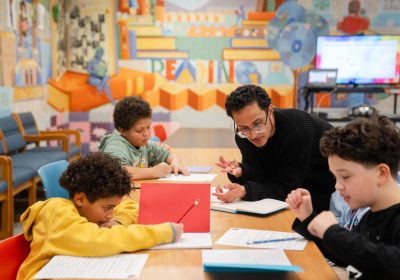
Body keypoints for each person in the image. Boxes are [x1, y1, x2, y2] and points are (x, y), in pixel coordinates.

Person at [17, 152, 183, 280]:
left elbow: (129, 205)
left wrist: (118, 220)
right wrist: (163, 233)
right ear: (80, 198)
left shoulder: (93, 206)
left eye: (114, 208)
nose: (110, 214)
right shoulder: (56, 211)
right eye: (108, 208)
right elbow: (96, 239)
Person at [286, 116, 400, 279]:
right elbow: (349, 256)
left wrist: (333, 233)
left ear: (381, 174)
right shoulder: (370, 217)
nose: (338, 186)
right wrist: (309, 220)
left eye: (345, 177)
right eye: (335, 178)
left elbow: (393, 263)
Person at [214, 84, 335, 213]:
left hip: (329, 188)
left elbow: (286, 188)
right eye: (244, 128)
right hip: (296, 188)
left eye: (258, 124)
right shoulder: (243, 136)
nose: (253, 135)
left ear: (270, 110)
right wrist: (242, 172)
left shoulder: (296, 131)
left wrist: (245, 191)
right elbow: (261, 176)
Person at [99, 96, 189, 180]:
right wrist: (154, 172)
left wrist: (175, 163)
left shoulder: (145, 144)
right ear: (122, 130)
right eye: (139, 130)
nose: (146, 133)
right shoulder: (115, 145)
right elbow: (116, 172)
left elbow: (171, 156)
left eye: (148, 127)